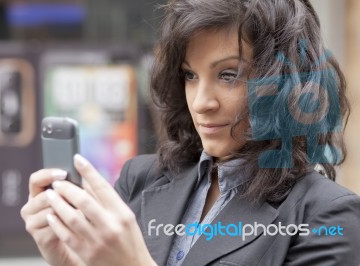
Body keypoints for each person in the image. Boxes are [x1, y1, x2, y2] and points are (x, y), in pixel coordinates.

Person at [21, 0, 360, 265]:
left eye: (228, 75)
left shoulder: (328, 217)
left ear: (285, 82)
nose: (201, 103)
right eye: (189, 75)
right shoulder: (141, 179)